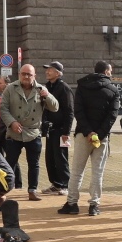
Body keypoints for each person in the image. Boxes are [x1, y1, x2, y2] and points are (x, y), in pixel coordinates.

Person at [60, 61, 121, 216]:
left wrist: (88, 132)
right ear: (106, 72)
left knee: (77, 171)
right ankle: (94, 205)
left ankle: (72, 203)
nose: (111, 74)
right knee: (97, 172)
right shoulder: (113, 90)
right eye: (111, 71)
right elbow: (112, 116)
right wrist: (99, 134)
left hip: (83, 135)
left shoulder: (82, 86)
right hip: (101, 138)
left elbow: (78, 111)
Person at [1, 63, 58, 201]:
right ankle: (4, 189)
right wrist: (12, 122)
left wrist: (48, 96)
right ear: (19, 74)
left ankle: (32, 190)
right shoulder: (10, 88)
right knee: (9, 163)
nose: (26, 76)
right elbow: (3, 109)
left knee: (34, 163)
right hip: (14, 132)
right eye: (23, 74)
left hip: (33, 132)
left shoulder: (41, 89)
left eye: (29, 74)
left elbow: (55, 107)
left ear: (34, 76)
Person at [41, 62, 74, 194]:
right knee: (50, 157)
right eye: (47, 69)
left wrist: (66, 132)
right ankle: (55, 183)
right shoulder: (47, 87)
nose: (47, 72)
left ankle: (65, 185)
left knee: (61, 157)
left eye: (50, 70)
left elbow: (69, 111)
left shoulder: (64, 88)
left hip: (61, 129)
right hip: (50, 129)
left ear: (58, 73)